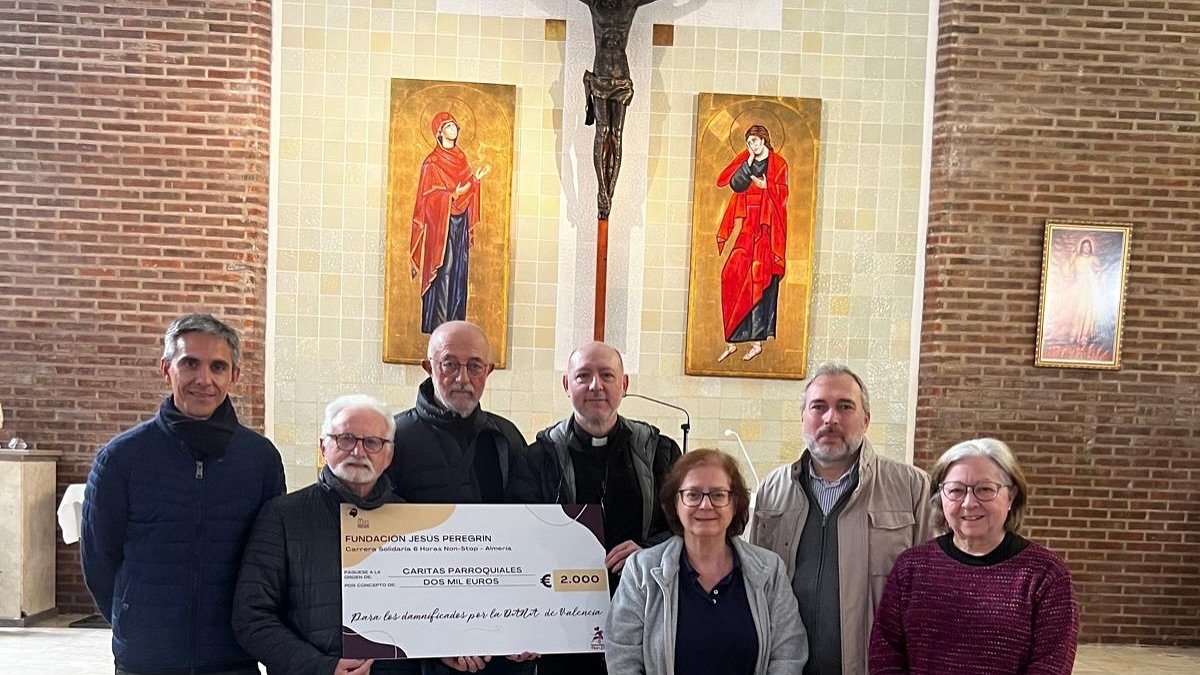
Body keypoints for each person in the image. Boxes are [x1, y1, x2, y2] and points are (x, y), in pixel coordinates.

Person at [81, 313, 285, 675]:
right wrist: (132, 617)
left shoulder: (261, 460)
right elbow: (100, 560)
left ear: (234, 376)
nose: (203, 379)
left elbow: (270, 558)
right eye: (190, 363)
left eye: (218, 367)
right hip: (148, 656)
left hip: (233, 655)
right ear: (166, 368)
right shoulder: (121, 458)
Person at [750, 363, 933, 675]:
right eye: (818, 406)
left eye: (844, 407)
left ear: (866, 419)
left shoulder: (912, 488)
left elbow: (933, 592)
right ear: (803, 418)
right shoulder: (772, 490)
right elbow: (753, 587)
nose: (830, 418)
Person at [385, 320, 538, 674]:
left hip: (503, 635)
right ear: (428, 367)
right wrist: (434, 643)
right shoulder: (393, 439)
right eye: (449, 364)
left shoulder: (507, 437)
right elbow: (382, 552)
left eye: (474, 366)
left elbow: (530, 533)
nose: (462, 378)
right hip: (425, 641)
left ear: (489, 371)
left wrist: (531, 626)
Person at [234, 395, 418, 675]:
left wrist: (445, 653)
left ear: (389, 454)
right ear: (323, 447)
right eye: (345, 439)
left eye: (372, 442)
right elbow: (251, 618)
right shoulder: (281, 516)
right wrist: (323, 668)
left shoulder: (414, 521)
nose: (358, 452)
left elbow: (425, 615)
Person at [527, 341, 681, 675]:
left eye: (607, 375)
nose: (596, 386)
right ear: (567, 386)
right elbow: (521, 539)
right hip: (562, 622)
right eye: (583, 376)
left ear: (624, 385)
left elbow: (688, 529)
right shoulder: (539, 457)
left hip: (642, 614)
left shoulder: (661, 452)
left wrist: (648, 551)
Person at [869, 438, 1079, 674]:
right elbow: (885, 654)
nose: (969, 503)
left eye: (985, 489)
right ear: (941, 498)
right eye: (956, 490)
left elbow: (1051, 665)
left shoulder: (1046, 575)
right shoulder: (911, 567)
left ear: (1011, 496)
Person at [606, 449, 808, 675]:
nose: (705, 505)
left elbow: (789, 655)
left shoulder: (770, 570)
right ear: (675, 503)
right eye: (693, 494)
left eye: (718, 494)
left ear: (735, 503)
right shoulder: (641, 571)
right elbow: (622, 658)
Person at [575, 0, 662, 219]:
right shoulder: (596, 5)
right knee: (602, 132)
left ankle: (609, 190)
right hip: (601, 77)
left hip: (622, 80)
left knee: (616, 135)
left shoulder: (629, 4)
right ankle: (602, 192)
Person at [410, 111, 491, 334]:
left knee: (459, 271)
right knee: (444, 271)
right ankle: (438, 327)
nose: (453, 128)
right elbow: (426, 200)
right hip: (441, 226)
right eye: (448, 125)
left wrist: (475, 181)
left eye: (455, 125)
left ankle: (456, 328)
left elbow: (466, 191)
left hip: (459, 223)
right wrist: (451, 195)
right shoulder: (431, 163)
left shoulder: (462, 159)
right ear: (439, 131)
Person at [715, 124, 789, 364]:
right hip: (748, 226)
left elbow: (784, 194)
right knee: (730, 274)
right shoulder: (748, 160)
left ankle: (756, 342)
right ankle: (732, 339)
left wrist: (768, 188)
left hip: (767, 228)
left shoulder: (779, 164)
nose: (751, 146)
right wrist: (747, 161)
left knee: (759, 278)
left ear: (764, 141)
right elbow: (734, 184)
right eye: (748, 143)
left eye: (755, 142)